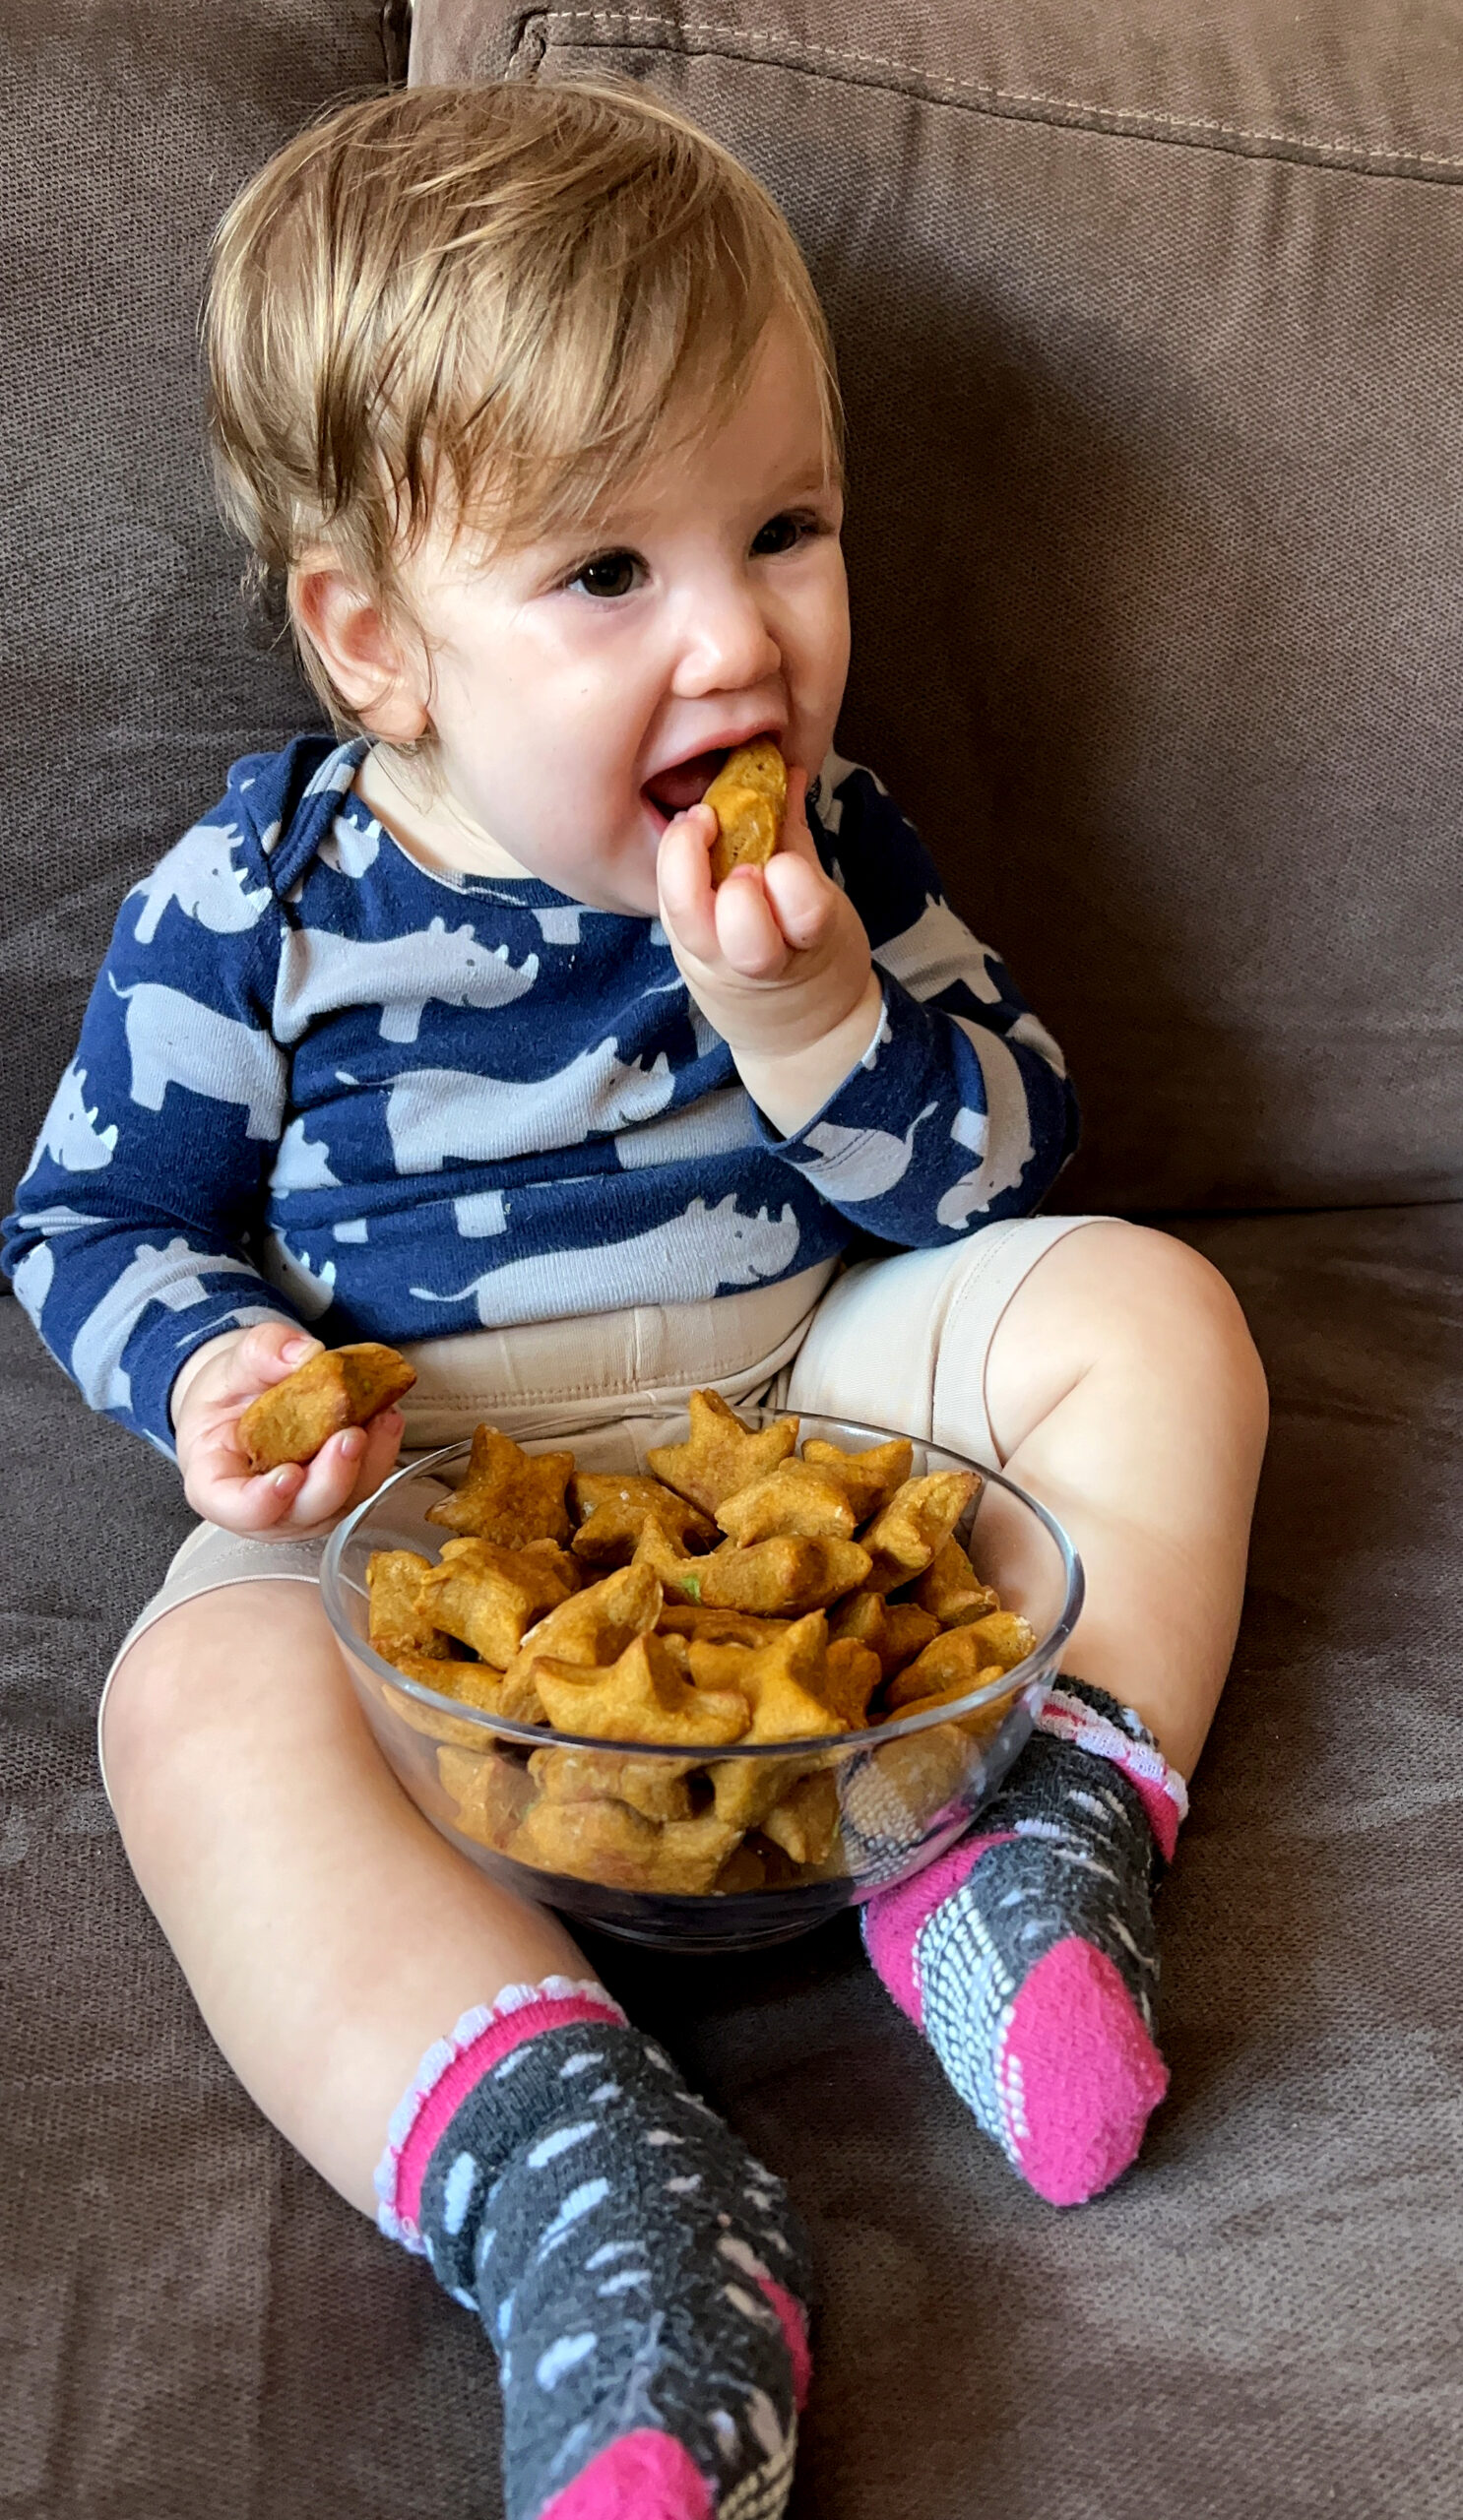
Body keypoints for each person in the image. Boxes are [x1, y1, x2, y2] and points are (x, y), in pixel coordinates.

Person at [0, 79, 1268, 2520]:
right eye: (608, 574)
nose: (739, 635)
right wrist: (228, 1369)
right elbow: (86, 1222)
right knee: (184, 1696)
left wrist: (813, 1029)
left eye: (781, 529)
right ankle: (591, 2193)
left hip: (806, 1403)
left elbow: (1008, 1152)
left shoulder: (846, 839)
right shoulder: (255, 899)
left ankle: (1028, 1843)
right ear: (375, 637)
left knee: (1143, 1309)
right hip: (422, 1507)